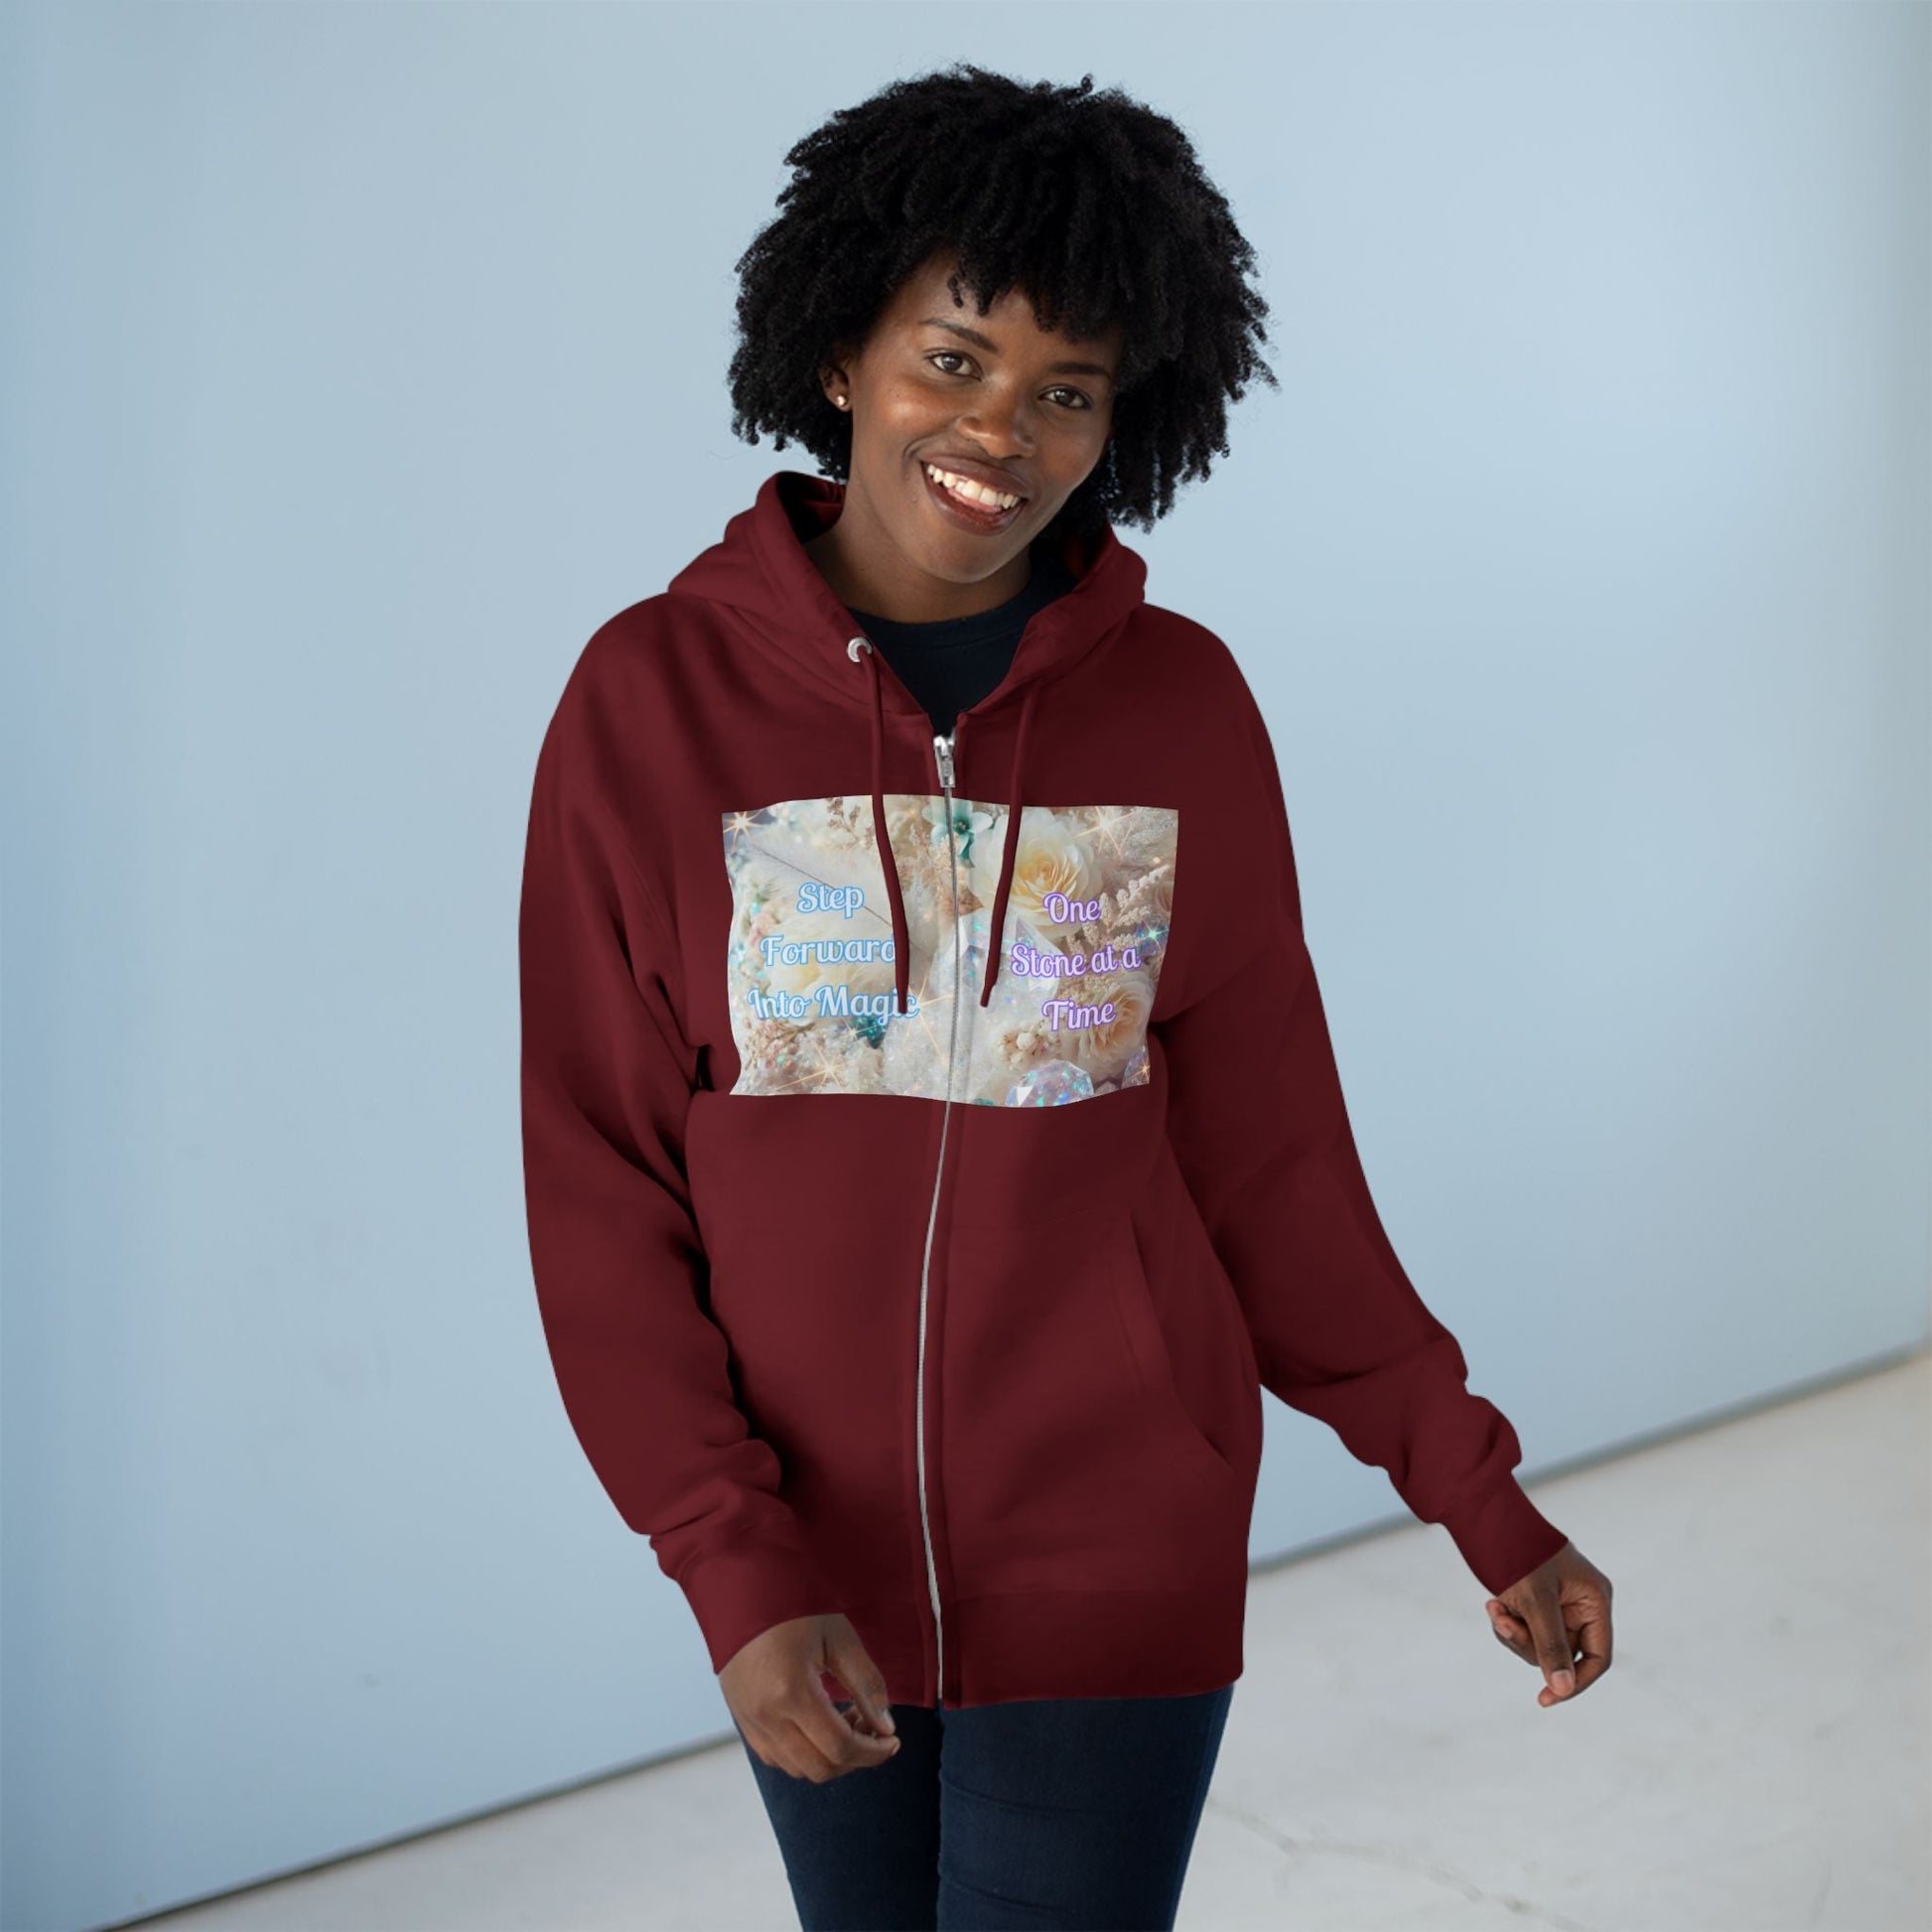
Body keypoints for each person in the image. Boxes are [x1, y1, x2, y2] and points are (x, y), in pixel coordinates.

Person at [517, 64, 1614, 1932]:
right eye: (952, 358)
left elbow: (1272, 1159)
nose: (998, 431)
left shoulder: (1180, 708)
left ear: (1129, 418)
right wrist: (731, 1559)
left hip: (1120, 1550)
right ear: (841, 350)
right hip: (806, 1568)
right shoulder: (650, 700)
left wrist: (1474, 1486)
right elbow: (602, 1182)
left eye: (1066, 390)